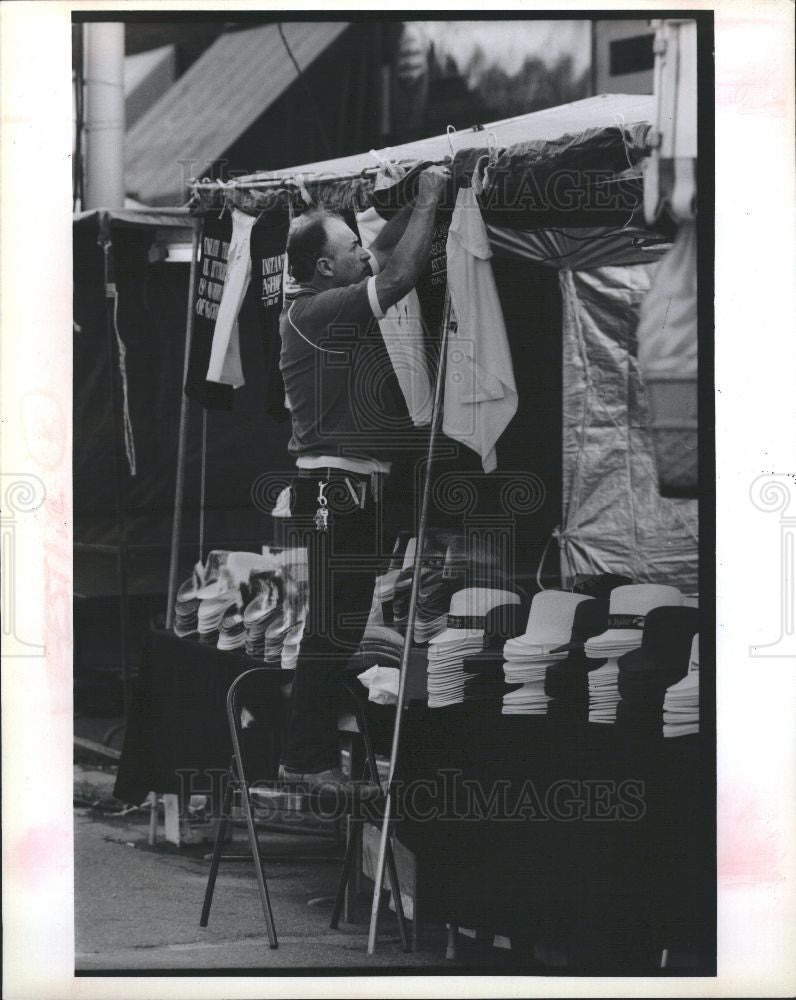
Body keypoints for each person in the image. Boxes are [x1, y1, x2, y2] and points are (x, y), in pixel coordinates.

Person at [276, 165, 451, 788]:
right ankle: (304, 760)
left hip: (348, 487)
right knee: (331, 626)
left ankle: (310, 753)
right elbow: (400, 273)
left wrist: (407, 203)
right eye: (346, 247)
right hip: (334, 487)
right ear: (325, 267)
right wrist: (430, 196)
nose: (361, 251)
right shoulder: (320, 310)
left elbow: (380, 253)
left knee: (342, 624)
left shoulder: (324, 296)